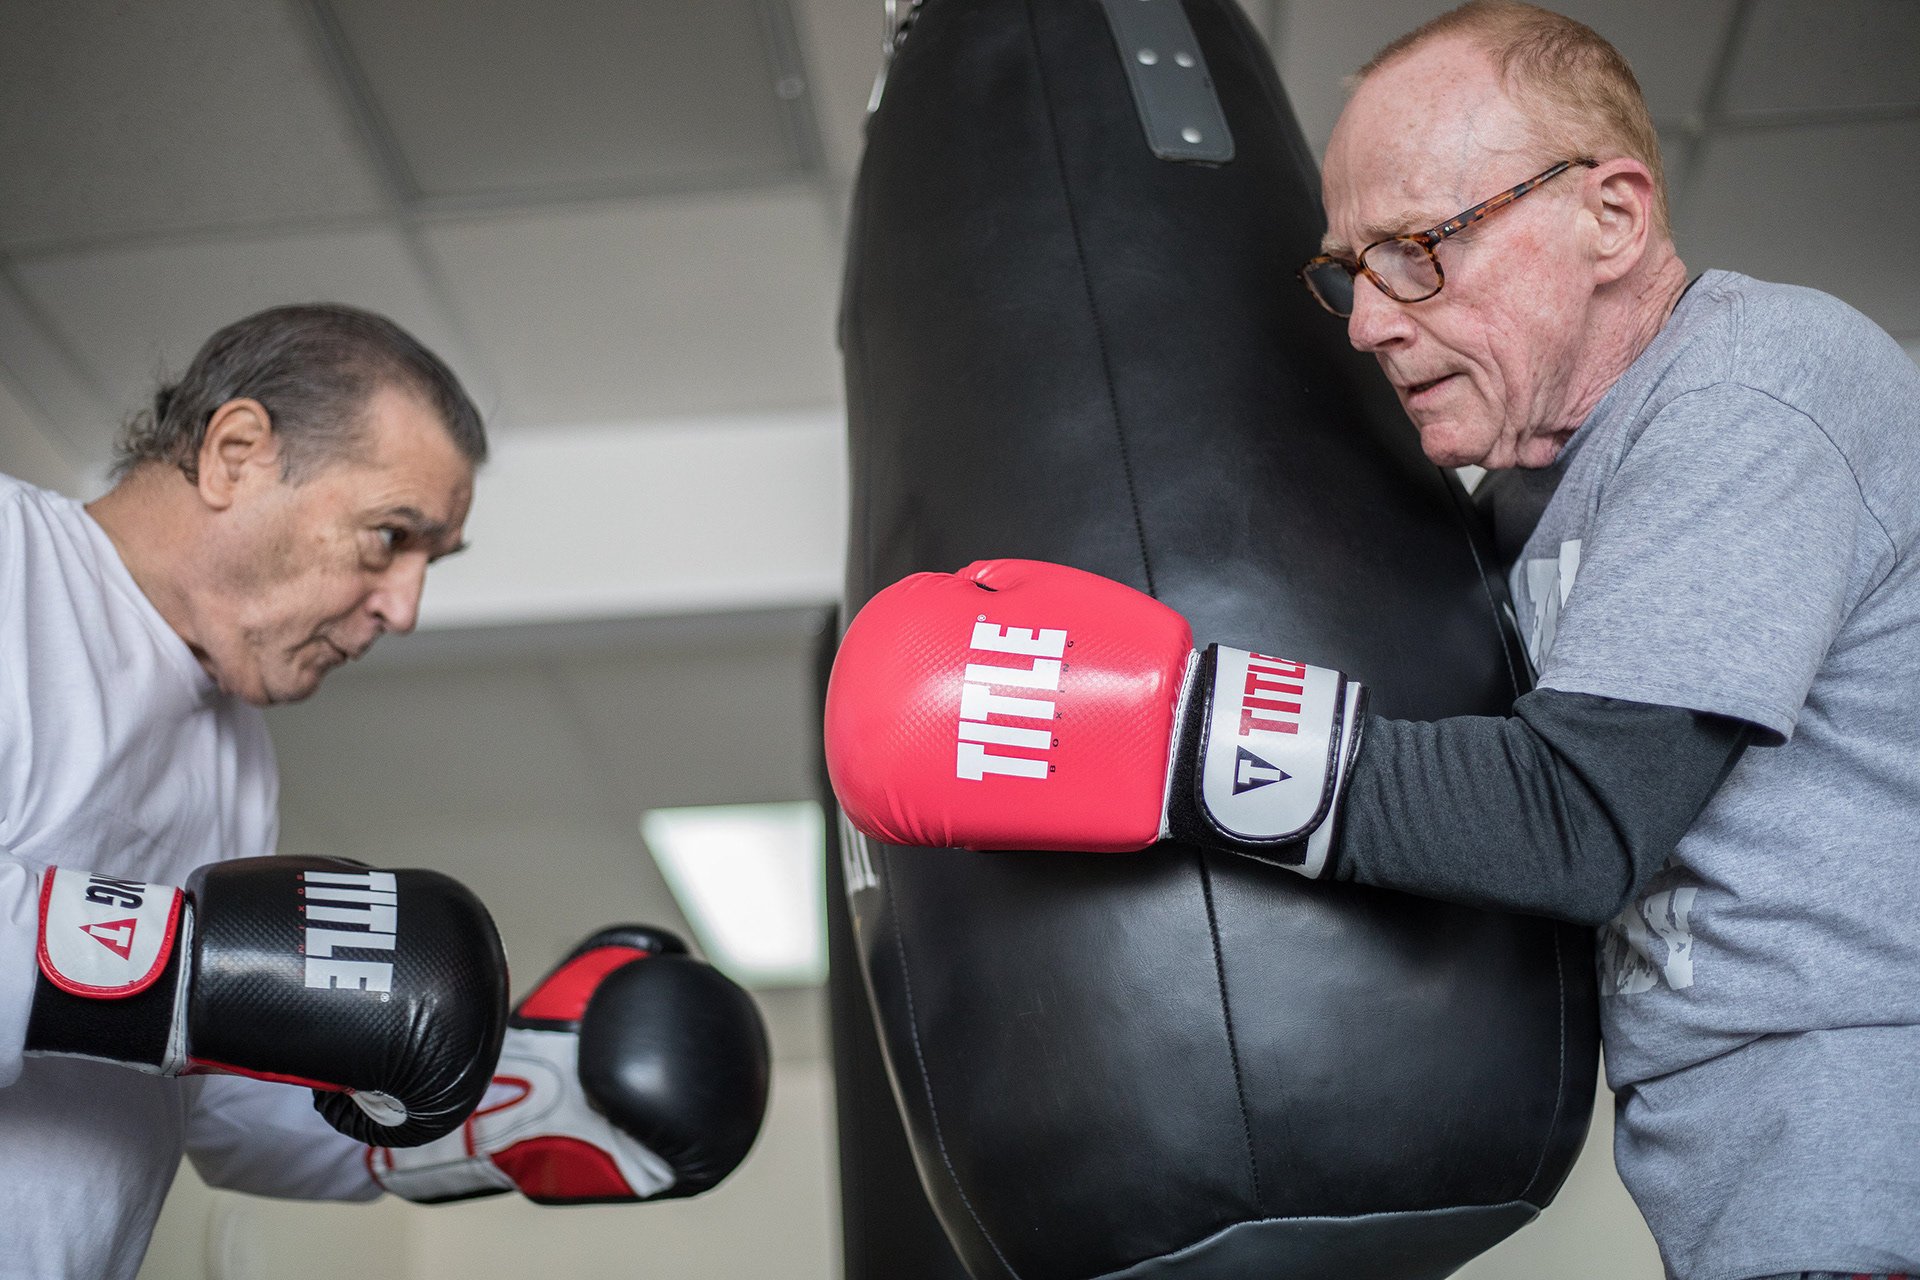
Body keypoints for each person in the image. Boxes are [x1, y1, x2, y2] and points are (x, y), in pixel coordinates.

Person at [824, 4, 1920, 1276]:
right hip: (1764, 1200)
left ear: (1611, 215)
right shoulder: (1527, 498)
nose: (1365, 323)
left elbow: (1575, 818)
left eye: (1418, 250)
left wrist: (1159, 726)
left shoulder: (1755, 390)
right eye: (1346, 271)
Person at [0, 304, 769, 1279]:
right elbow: (189, 987)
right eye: (388, 536)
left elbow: (228, 1107)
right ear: (237, 453)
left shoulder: (235, 756)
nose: (404, 608)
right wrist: (189, 961)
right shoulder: (11, 563)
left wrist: (525, 1096)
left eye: (429, 562)